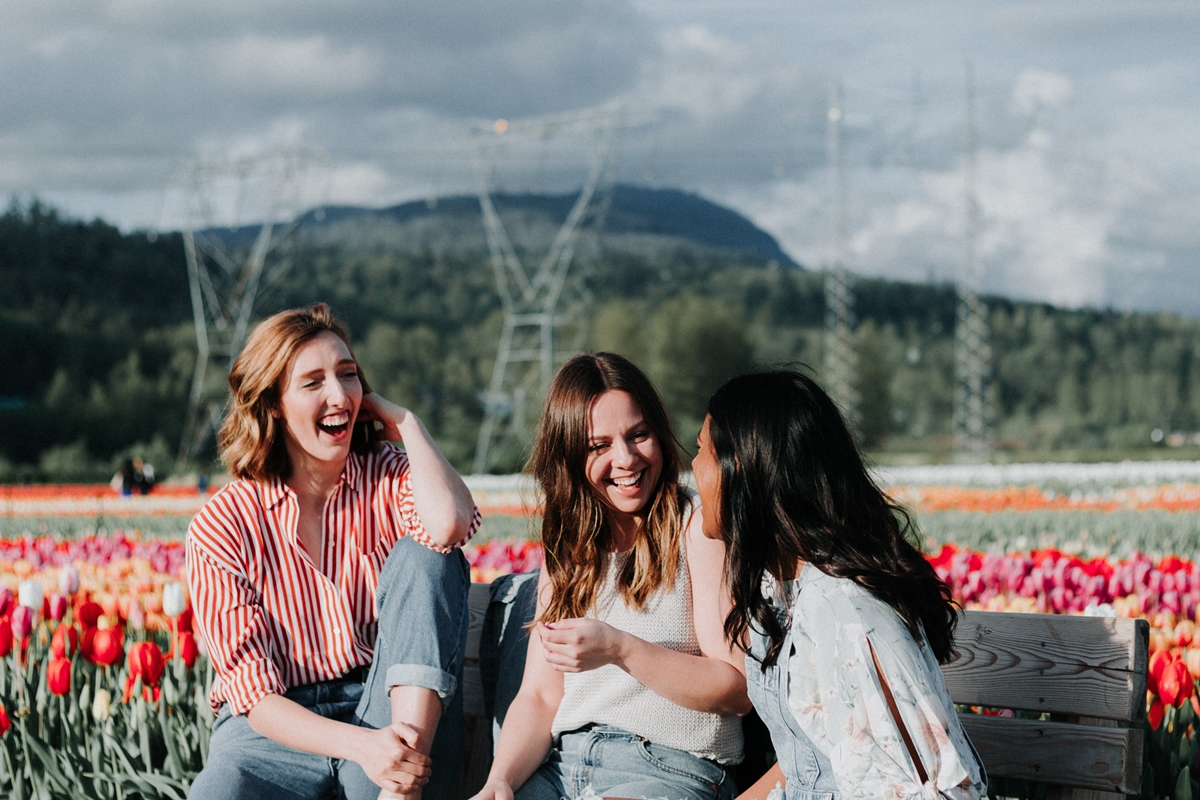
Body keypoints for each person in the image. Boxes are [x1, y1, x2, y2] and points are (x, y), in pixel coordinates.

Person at [186, 303, 480, 800]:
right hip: (275, 735)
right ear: (273, 403)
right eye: (313, 381)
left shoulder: (386, 475)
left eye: (348, 375)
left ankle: (399, 790)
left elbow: (448, 527)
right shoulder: (224, 524)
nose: (339, 394)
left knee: (425, 554)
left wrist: (407, 422)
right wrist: (362, 748)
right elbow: (254, 696)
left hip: (389, 708)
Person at [694, 370, 986, 800]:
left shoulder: (845, 614)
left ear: (740, 466)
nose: (693, 467)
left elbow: (919, 789)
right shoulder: (783, 589)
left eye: (700, 450)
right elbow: (807, 765)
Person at [473, 352, 750, 800]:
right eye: (599, 446)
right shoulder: (570, 547)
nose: (626, 459)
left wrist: (620, 648)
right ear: (568, 456)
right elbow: (540, 697)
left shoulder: (696, 528)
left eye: (638, 435)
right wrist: (499, 783)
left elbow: (735, 687)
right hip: (562, 768)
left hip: (666, 768)